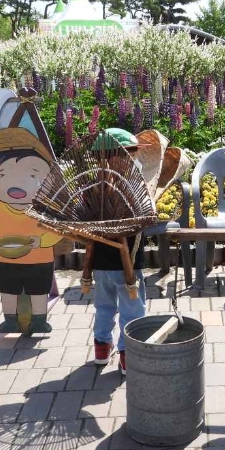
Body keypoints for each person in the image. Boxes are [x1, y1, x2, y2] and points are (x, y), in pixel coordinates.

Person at [0, 127, 63, 335]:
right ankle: (10, 319)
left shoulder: (44, 210)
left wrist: (41, 242)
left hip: (40, 259)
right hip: (5, 259)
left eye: (32, 174)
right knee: (8, 291)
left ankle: (39, 320)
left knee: (39, 291)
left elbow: (58, 229)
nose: (17, 183)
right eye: (2, 175)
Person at [89, 128, 148, 376]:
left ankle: (102, 348)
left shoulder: (90, 185)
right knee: (132, 309)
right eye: (131, 155)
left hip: (99, 263)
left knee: (103, 306)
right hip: (127, 263)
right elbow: (143, 215)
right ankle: (127, 355)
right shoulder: (130, 187)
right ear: (116, 157)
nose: (135, 160)